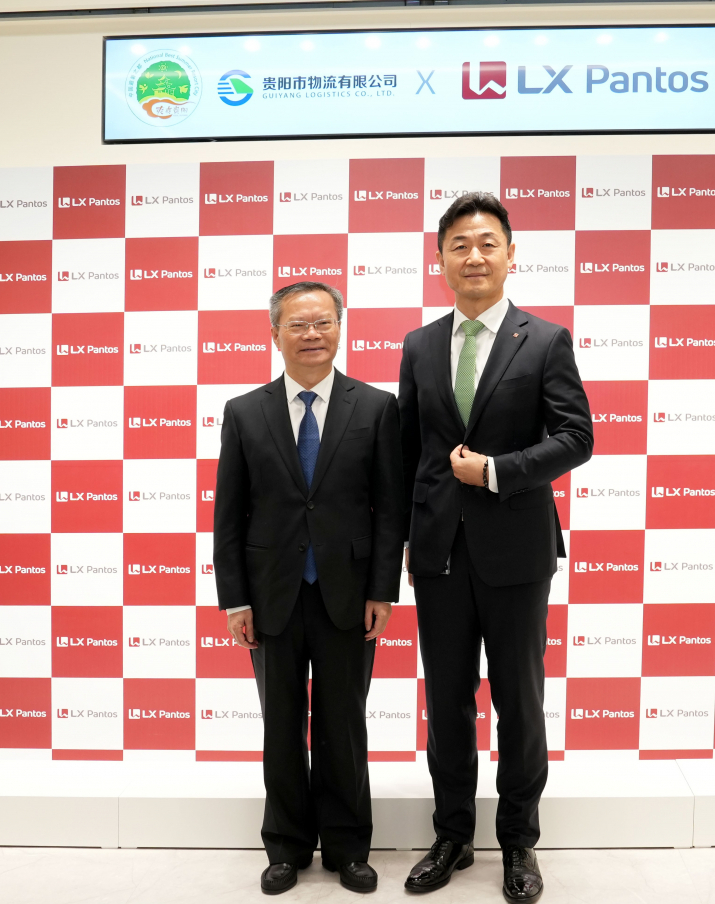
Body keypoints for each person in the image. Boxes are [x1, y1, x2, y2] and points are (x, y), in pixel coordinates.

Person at [398, 193, 593, 903]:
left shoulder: (544, 340)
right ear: (441, 258)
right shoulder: (419, 345)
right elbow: (409, 453)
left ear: (512, 254)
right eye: (459, 245)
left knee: (519, 699)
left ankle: (518, 841)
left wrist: (497, 471)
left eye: (487, 243)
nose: (473, 256)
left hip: (515, 551)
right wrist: (400, 551)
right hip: (438, 553)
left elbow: (577, 437)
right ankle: (451, 833)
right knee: (447, 703)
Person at [214, 281, 404, 896]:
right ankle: (286, 846)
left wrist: (384, 589)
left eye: (324, 322)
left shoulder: (375, 407)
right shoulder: (245, 412)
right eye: (298, 324)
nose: (312, 334)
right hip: (272, 595)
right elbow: (229, 513)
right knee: (281, 724)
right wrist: (234, 598)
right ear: (275, 335)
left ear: (340, 328)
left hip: (350, 593)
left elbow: (388, 509)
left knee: (344, 723)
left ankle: (349, 846)